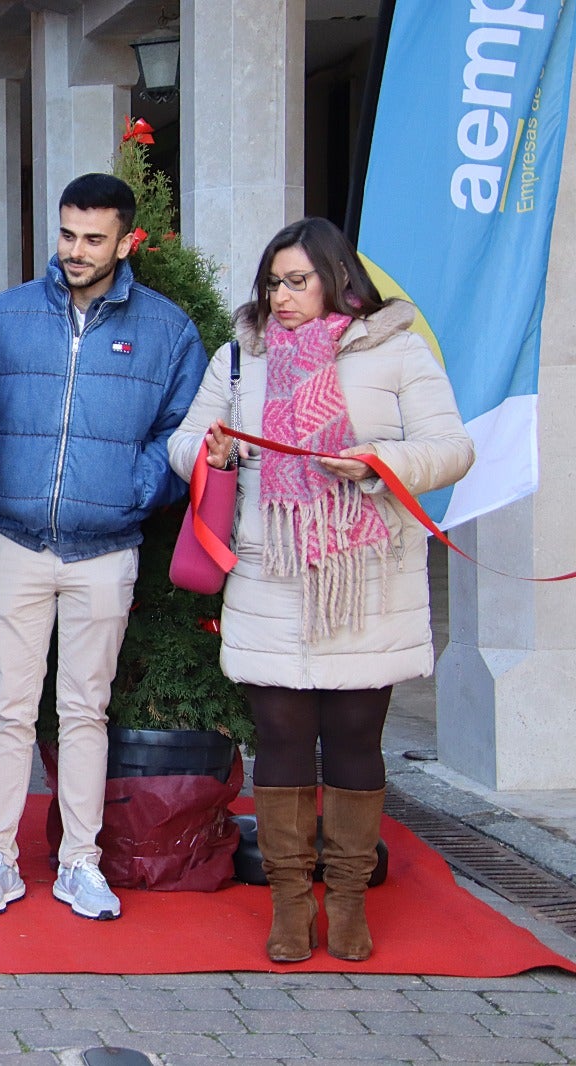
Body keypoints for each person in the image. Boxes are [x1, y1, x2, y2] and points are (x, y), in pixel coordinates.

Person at [168, 217, 473, 963]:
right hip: (270, 573)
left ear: (337, 279)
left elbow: (452, 447)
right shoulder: (240, 358)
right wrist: (216, 452)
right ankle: (290, 907)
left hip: (363, 580)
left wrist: (379, 460)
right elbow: (185, 443)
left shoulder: (396, 350)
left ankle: (349, 905)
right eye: (273, 282)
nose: (282, 297)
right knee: (278, 738)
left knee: (353, 741)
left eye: (297, 280)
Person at [0, 173, 207, 923]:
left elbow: (180, 432)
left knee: (86, 710)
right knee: (8, 710)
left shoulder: (167, 329)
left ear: (126, 241)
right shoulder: (6, 318)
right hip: (17, 542)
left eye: (94, 238)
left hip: (107, 549)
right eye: (66, 234)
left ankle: (79, 863)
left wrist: (136, 490)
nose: (75, 251)